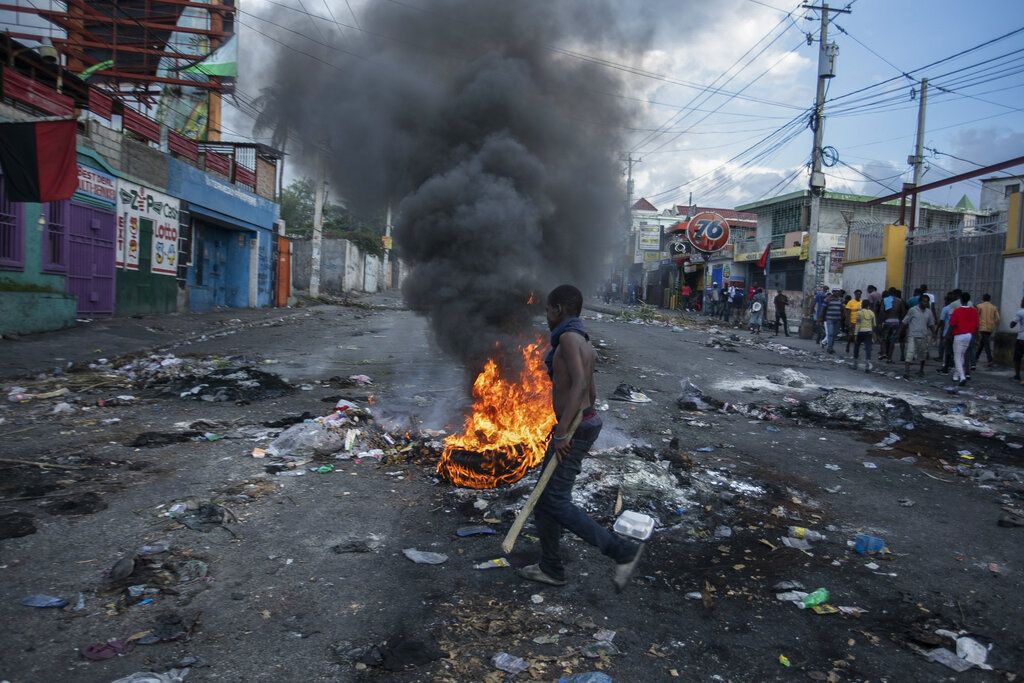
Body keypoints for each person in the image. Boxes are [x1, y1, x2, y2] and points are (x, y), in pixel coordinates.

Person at [519, 285, 642, 591]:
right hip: (580, 423)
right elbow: (592, 390)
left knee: (555, 502)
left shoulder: (570, 340)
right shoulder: (584, 340)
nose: (546, 316)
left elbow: (577, 386)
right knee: (545, 500)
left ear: (558, 308)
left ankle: (621, 551)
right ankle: (550, 566)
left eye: (548, 310)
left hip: (573, 428)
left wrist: (563, 432)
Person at [947, 291, 978, 386]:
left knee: (957, 356)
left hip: (959, 335)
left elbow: (952, 325)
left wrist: (948, 335)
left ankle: (962, 376)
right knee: (962, 355)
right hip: (969, 335)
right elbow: (976, 325)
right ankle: (956, 375)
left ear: (960, 300)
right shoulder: (973, 311)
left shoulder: (957, 311)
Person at [902, 294, 936, 378]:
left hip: (923, 335)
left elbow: (931, 324)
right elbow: (904, 322)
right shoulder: (913, 310)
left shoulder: (929, 312)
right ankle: (906, 371)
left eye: (927, 302)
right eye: (924, 301)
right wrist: (900, 332)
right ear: (920, 301)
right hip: (913, 335)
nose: (925, 303)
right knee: (910, 353)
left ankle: (921, 370)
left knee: (922, 354)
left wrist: (934, 334)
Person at [937, 290, 962, 374]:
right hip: (956, 333)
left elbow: (942, 321)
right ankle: (953, 367)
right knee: (955, 351)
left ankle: (946, 367)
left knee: (947, 351)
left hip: (947, 333)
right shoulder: (958, 308)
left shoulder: (946, 309)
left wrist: (938, 331)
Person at [879, 287, 906, 363]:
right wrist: (901, 323)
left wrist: (880, 322)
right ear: (895, 293)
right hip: (896, 322)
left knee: (883, 338)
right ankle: (889, 358)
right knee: (892, 341)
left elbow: (882, 312)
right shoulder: (899, 301)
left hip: (887, 321)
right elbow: (903, 313)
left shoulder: (886, 300)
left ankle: (884, 352)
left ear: (889, 292)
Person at [975, 293, 1000, 367]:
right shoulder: (994, 307)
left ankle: (990, 360)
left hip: (982, 327)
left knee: (985, 343)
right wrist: (993, 324)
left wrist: (977, 325)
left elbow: (976, 316)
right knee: (984, 342)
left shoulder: (979, 306)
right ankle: (976, 357)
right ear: (990, 299)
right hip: (990, 327)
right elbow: (998, 318)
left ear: (983, 298)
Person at [852, 301, 877, 372]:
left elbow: (858, 324)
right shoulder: (872, 313)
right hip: (869, 332)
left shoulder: (859, 313)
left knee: (856, 347)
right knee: (868, 349)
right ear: (868, 305)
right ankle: (867, 366)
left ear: (862, 305)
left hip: (860, 332)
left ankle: (855, 364)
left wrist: (855, 334)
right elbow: (874, 324)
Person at [823, 289, 844, 354]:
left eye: (838, 291)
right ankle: (830, 348)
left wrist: (842, 317)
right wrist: (821, 318)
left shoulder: (841, 300)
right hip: (829, 319)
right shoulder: (827, 299)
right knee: (831, 333)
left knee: (835, 334)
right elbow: (824, 309)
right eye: (835, 291)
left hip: (837, 319)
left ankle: (831, 346)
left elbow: (842, 309)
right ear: (833, 292)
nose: (837, 292)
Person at [1010, 297, 1024, 383]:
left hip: (1021, 339)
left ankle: (1017, 376)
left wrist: (1012, 322)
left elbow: (1012, 325)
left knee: (1017, 358)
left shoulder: (1020, 312)